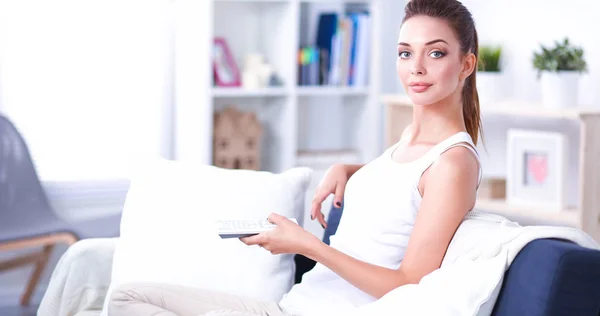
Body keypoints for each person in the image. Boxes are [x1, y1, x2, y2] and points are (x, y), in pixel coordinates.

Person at [108, 0, 483, 315]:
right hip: (294, 306)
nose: (416, 67)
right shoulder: (410, 142)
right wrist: (348, 170)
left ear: (466, 64)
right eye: (405, 53)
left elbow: (409, 284)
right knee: (127, 295)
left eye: (435, 53)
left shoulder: (453, 163)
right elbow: (403, 185)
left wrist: (307, 244)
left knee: (129, 302)